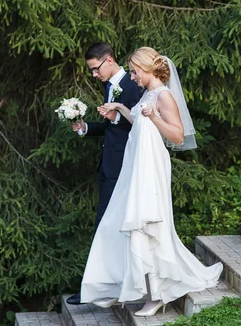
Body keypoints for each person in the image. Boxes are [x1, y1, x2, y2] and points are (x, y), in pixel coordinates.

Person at [80, 47, 223, 317]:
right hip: (136, 164)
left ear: (147, 69)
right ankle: (137, 286)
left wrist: (154, 116)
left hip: (152, 166)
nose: (132, 77)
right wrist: (121, 109)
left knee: (149, 223)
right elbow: (139, 124)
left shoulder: (164, 95)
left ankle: (157, 293)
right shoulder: (147, 94)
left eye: (134, 71)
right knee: (125, 220)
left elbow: (178, 136)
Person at [65, 43, 143, 306]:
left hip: (123, 166)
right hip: (109, 164)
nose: (94, 75)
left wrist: (118, 114)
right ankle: (107, 286)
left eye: (95, 69)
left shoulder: (133, 86)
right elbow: (114, 127)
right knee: (107, 226)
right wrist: (86, 127)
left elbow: (140, 127)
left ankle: (99, 289)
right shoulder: (112, 84)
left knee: (107, 225)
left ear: (108, 61)